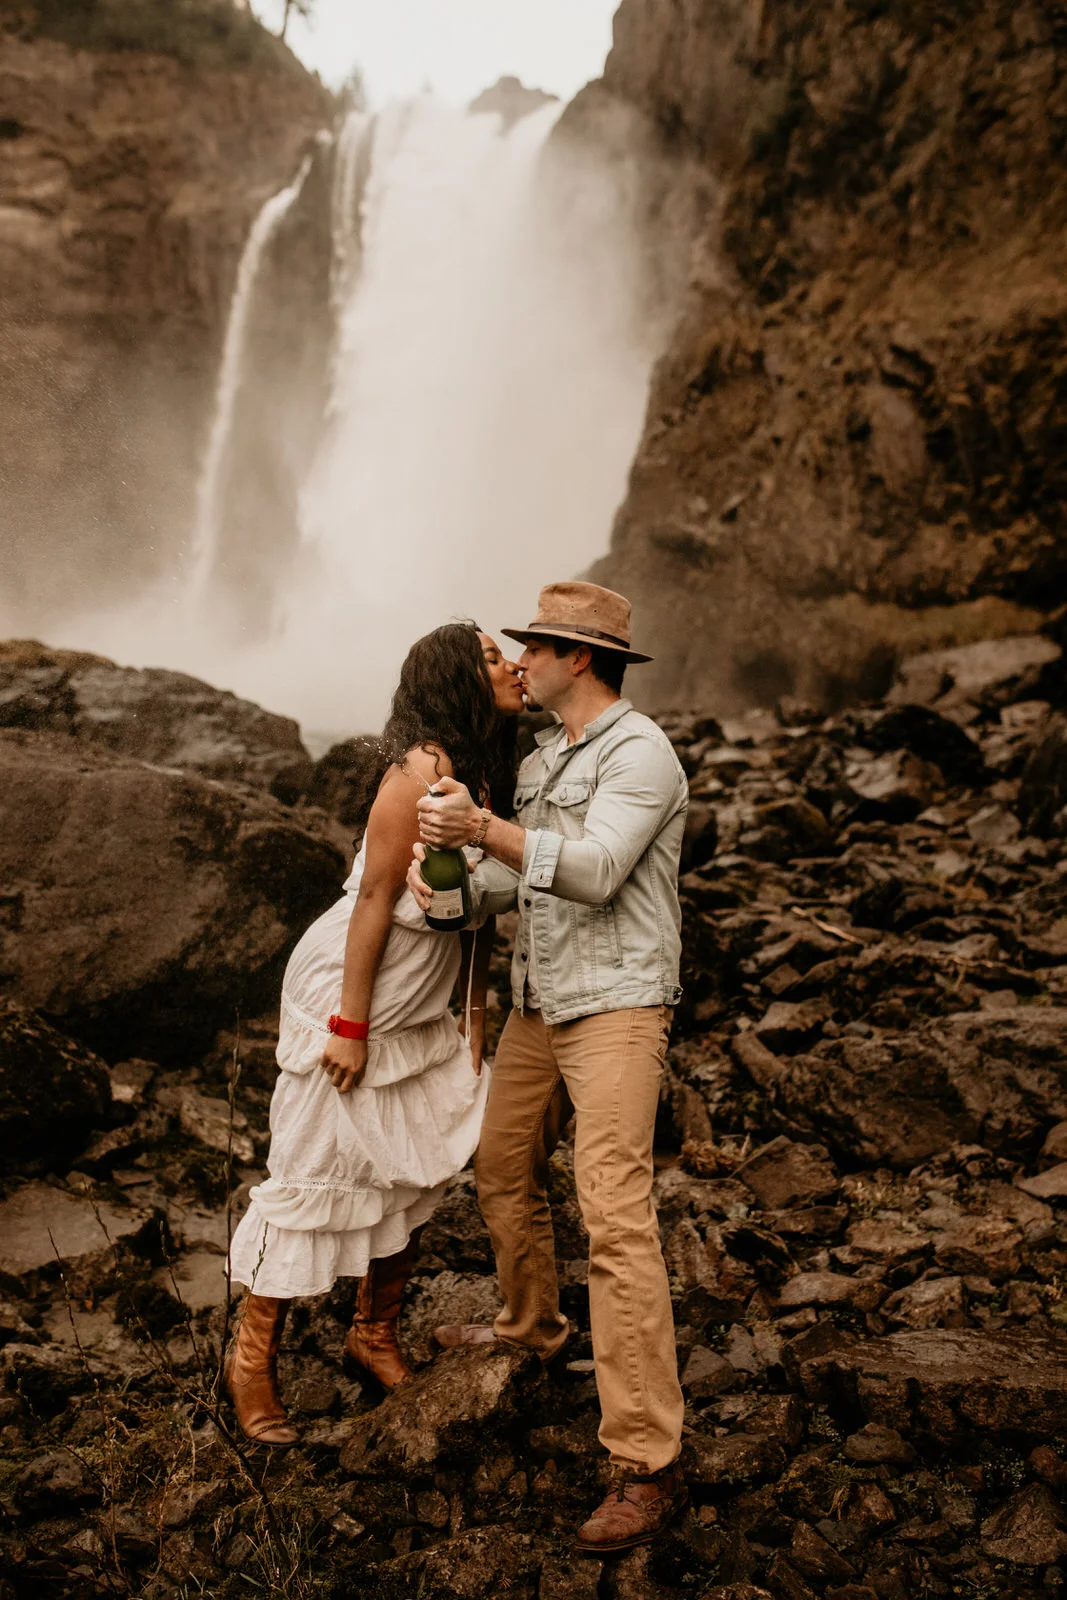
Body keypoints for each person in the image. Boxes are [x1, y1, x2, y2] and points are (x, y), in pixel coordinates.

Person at [408, 581, 690, 1554]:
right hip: (539, 1004)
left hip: (615, 1006)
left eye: (532, 648)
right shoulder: (538, 761)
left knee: (613, 1215)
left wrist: (484, 834)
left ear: (578, 658)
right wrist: (446, 875)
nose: (517, 661)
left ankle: (646, 1463)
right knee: (498, 1169)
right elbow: (515, 882)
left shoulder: (639, 752)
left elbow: (598, 865)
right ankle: (530, 1327)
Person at [226, 624, 524, 1446]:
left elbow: (475, 917)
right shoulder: (420, 768)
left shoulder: (486, 770)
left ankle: (373, 1332)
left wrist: (474, 1012)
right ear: (459, 678)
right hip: (359, 986)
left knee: (419, 1154)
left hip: (423, 1000)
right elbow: (370, 903)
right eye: (494, 659)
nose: (513, 667)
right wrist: (348, 1027)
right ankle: (251, 1360)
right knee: (312, 1163)